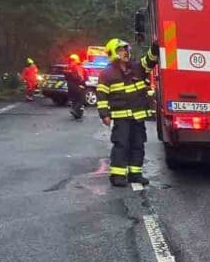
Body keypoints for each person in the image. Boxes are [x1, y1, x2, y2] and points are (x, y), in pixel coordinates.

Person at [96, 38, 159, 187]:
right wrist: (104, 114)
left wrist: (155, 48)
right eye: (121, 50)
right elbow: (102, 96)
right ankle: (117, 176)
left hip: (137, 116)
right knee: (121, 145)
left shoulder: (136, 68)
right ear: (113, 53)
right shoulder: (107, 74)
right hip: (121, 117)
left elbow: (149, 61)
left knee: (138, 145)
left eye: (126, 49)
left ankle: (135, 174)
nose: (125, 52)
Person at [65, 53, 86, 120]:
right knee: (81, 99)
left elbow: (66, 76)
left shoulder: (68, 67)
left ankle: (76, 114)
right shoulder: (77, 66)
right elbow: (80, 77)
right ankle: (75, 110)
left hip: (69, 86)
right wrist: (83, 83)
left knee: (74, 100)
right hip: (77, 85)